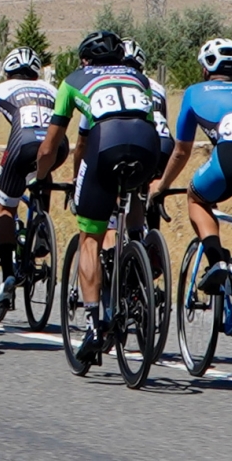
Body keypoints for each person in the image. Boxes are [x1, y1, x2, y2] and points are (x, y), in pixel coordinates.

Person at [35, 30, 162, 365]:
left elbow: (51, 146)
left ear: (85, 59)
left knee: (89, 237)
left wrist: (41, 175)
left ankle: (94, 326)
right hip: (147, 149)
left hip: (106, 146)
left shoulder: (73, 80)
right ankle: (137, 264)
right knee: (130, 199)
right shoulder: (138, 77)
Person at [151, 38, 232, 294]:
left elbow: (182, 151)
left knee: (197, 198)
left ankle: (216, 261)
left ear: (205, 69)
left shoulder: (194, 92)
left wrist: (162, 185)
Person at [0, 47, 61, 306]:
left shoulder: (0, 90)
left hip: (22, 146)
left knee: (5, 208)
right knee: (43, 171)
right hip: (56, 147)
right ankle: (41, 225)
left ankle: (8, 276)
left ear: (8, 72)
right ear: (36, 73)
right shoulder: (51, 89)